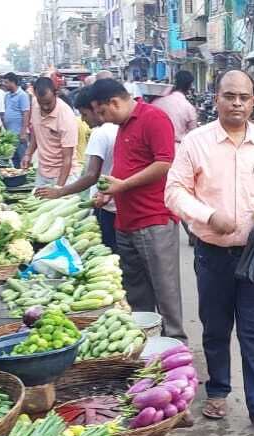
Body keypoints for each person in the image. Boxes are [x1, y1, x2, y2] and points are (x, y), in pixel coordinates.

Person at [166, 70, 254, 436]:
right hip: (212, 253)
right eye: (229, 96)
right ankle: (218, 389)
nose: (237, 103)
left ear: (253, 101)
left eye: (244, 97)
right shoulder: (195, 142)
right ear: (216, 98)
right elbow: (174, 192)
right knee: (216, 327)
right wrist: (207, 215)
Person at [88, 78, 184, 341]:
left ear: (115, 102)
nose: (101, 118)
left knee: (166, 293)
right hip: (126, 222)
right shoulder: (122, 126)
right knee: (137, 293)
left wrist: (123, 185)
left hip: (153, 220)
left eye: (102, 111)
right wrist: (106, 193)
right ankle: (148, 345)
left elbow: (165, 163)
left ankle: (176, 347)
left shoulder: (154, 118)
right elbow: (127, 168)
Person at [37, 85, 119, 250]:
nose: (82, 119)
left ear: (96, 109)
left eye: (84, 114)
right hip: (115, 201)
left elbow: (91, 176)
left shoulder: (100, 133)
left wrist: (60, 191)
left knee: (109, 247)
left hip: (105, 205)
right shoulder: (118, 128)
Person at [24, 77, 78, 188]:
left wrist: (58, 189)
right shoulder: (35, 104)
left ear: (56, 94)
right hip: (43, 173)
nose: (45, 107)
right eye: (41, 103)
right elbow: (36, 131)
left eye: (48, 103)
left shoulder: (66, 116)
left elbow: (67, 158)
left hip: (64, 175)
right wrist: (28, 154)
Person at [152, 70, 199, 142]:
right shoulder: (189, 108)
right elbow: (193, 134)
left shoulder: (156, 102)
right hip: (178, 148)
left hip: (156, 146)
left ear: (175, 82)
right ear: (189, 86)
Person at [1, 72, 33, 166]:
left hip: (19, 133)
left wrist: (23, 132)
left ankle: (25, 177)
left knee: (23, 156)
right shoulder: (6, 96)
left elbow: (26, 114)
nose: (4, 85)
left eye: (6, 82)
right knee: (14, 157)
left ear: (13, 82)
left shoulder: (22, 95)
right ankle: (17, 177)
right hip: (10, 134)